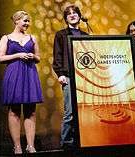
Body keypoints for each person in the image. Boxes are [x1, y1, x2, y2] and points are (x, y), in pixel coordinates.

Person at [0, 11, 43, 154]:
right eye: (25, 21)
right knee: (14, 111)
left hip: (29, 73)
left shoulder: (32, 38)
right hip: (14, 74)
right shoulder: (6, 38)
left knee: (31, 111)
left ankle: (30, 146)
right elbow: (0, 58)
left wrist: (33, 56)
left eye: (28, 21)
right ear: (16, 21)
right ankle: (17, 146)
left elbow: (39, 58)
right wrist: (18, 55)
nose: (27, 23)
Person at [52, 5, 88, 149]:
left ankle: (83, 139)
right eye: (69, 14)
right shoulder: (61, 35)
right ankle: (66, 143)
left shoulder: (85, 36)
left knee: (84, 111)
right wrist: (60, 74)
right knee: (70, 112)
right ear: (66, 18)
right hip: (68, 76)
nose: (73, 15)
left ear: (79, 16)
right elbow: (58, 56)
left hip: (85, 78)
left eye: (75, 13)